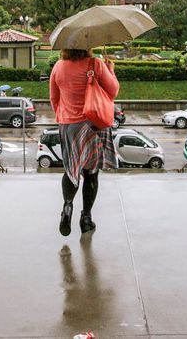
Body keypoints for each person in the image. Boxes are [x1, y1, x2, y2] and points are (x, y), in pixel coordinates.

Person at [49, 48, 119, 236]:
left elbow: (54, 99)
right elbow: (113, 92)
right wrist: (110, 69)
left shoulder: (58, 67)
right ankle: (86, 218)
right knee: (91, 172)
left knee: (71, 168)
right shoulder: (95, 64)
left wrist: (64, 117)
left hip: (68, 126)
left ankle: (67, 206)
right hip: (93, 125)